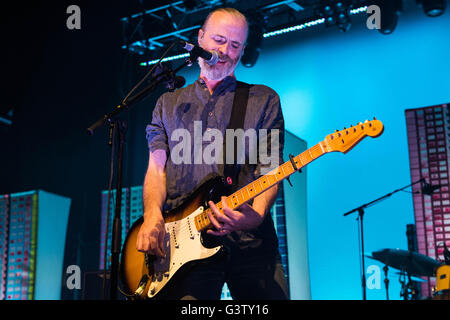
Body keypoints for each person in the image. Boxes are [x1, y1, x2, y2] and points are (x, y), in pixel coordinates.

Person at [136, 7, 289, 300]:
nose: (225, 51)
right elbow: (156, 169)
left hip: (250, 242)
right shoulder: (168, 103)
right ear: (200, 39)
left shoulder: (263, 99)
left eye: (235, 45)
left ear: (243, 51)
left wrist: (255, 216)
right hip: (183, 242)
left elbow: (270, 170)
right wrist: (152, 214)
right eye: (219, 40)